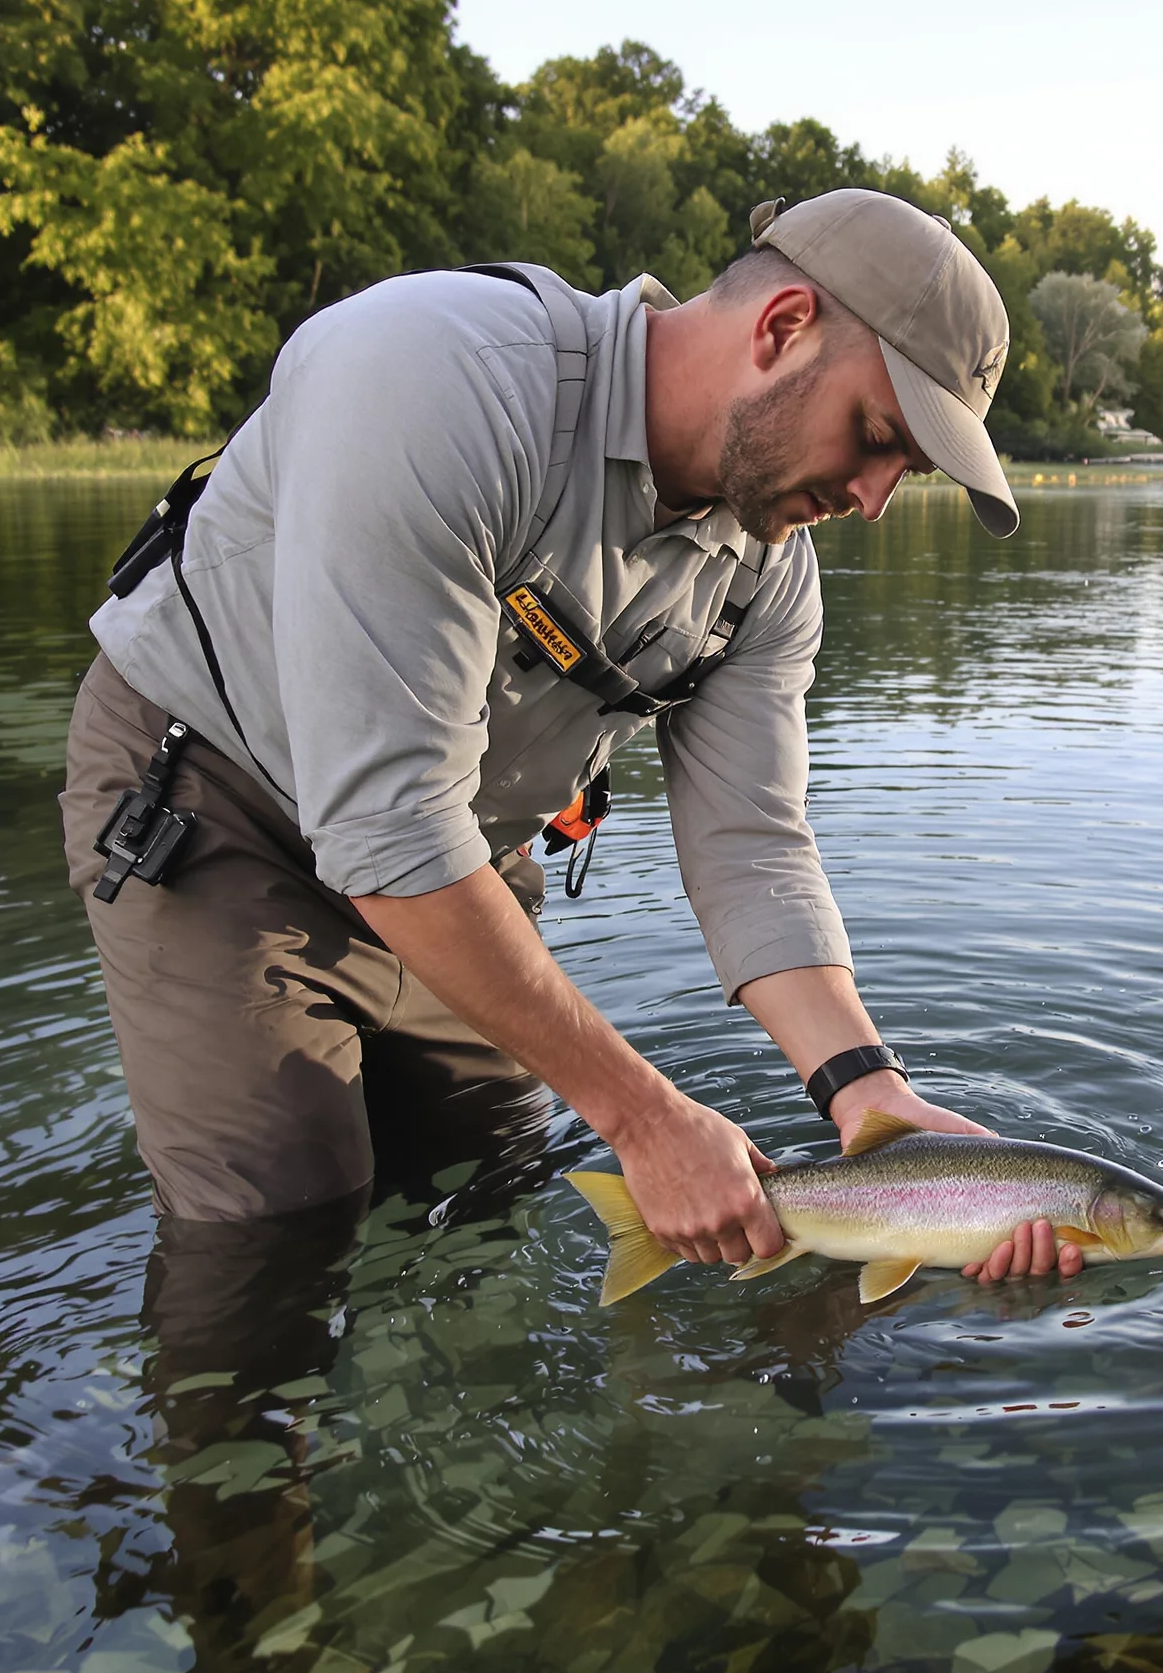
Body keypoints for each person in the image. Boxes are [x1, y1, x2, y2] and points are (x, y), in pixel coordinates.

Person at [62, 190, 1085, 1287]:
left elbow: (753, 847)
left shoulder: (769, 576)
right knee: (279, 1239)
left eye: (908, 470)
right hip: (224, 814)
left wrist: (867, 1091)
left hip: (461, 859)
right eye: (877, 437)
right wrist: (645, 1118)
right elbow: (385, 828)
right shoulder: (437, 380)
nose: (875, 499)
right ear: (782, 326)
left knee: (490, 1188)